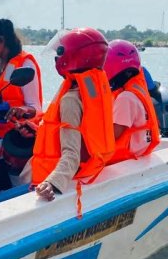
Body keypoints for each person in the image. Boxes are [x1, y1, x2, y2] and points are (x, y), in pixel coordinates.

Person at [31, 27, 115, 204]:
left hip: (60, 173)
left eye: (60, 53)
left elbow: (72, 154)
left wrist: (51, 183)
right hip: (93, 168)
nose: (57, 58)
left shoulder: (71, 99)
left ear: (73, 56)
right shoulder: (96, 89)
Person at [0, 17, 43, 137]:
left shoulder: (24, 64)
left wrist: (22, 110)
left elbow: (35, 108)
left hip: (15, 137)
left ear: (1, 40)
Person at [103, 40, 160, 162]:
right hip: (140, 149)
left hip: (127, 155)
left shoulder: (125, 98)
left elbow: (114, 134)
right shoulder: (135, 90)